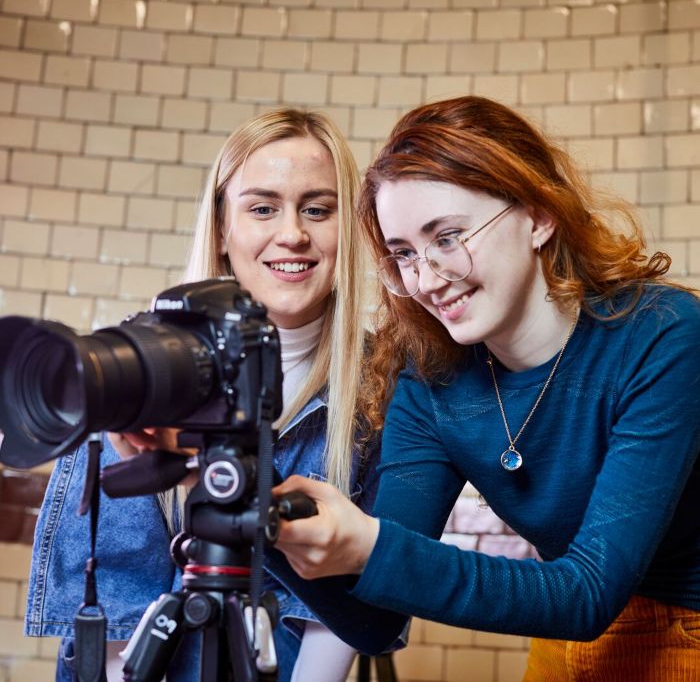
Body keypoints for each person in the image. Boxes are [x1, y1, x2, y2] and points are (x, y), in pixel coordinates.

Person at [268, 96, 700, 679]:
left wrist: (369, 547)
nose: (425, 279)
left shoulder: (662, 335)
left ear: (539, 215)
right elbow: (374, 623)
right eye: (403, 255)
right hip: (564, 636)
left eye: (447, 237)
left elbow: (589, 593)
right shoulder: (429, 379)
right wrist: (254, 508)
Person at [25, 108, 382, 682]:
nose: (292, 233)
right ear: (222, 226)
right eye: (262, 207)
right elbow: (115, 604)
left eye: (317, 209)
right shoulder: (134, 367)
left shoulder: (381, 383)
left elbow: (345, 613)